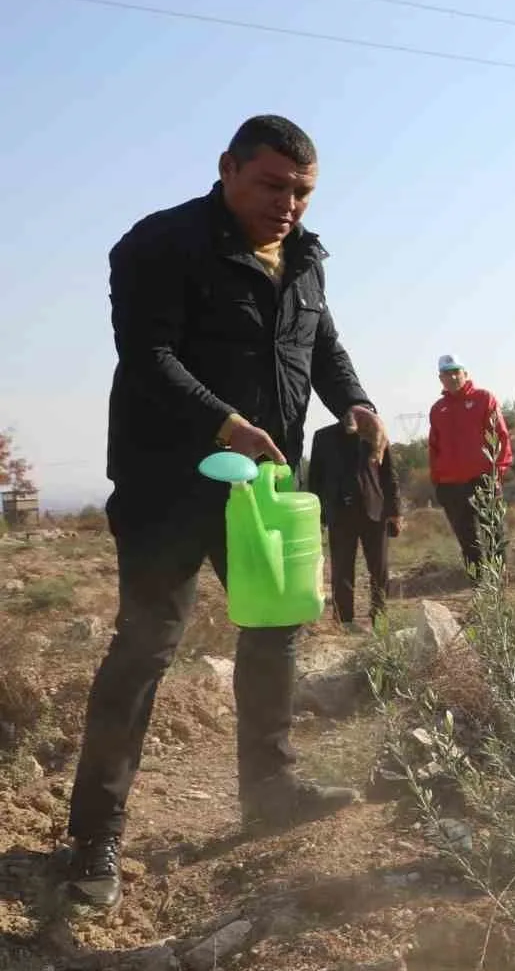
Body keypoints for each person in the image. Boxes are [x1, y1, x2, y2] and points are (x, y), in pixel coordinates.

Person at [67, 115, 387, 911]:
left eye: (302, 192)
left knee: (275, 625)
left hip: (263, 489)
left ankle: (270, 789)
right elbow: (148, 355)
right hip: (166, 480)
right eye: (272, 185)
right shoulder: (160, 245)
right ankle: (94, 836)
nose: (288, 205)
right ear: (228, 170)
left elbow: (320, 347)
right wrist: (225, 421)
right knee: (147, 642)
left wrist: (356, 400)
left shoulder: (306, 259)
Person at [308, 411, 402, 630]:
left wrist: (395, 511)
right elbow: (315, 478)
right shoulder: (323, 437)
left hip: (374, 511)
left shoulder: (375, 432)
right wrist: (317, 515)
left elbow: (389, 474)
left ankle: (380, 619)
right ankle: (344, 621)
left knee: (379, 569)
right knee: (341, 569)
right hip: (339, 513)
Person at [428, 354, 512, 575]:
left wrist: (497, 473)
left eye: (457, 371)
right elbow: (434, 448)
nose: (453, 377)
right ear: (441, 378)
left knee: (494, 535)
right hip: (450, 487)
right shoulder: (438, 409)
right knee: (468, 542)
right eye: (447, 373)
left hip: (483, 480)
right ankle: (478, 587)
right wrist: (437, 482)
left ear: (465, 374)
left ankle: (498, 588)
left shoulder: (484, 399)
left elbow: (501, 437)